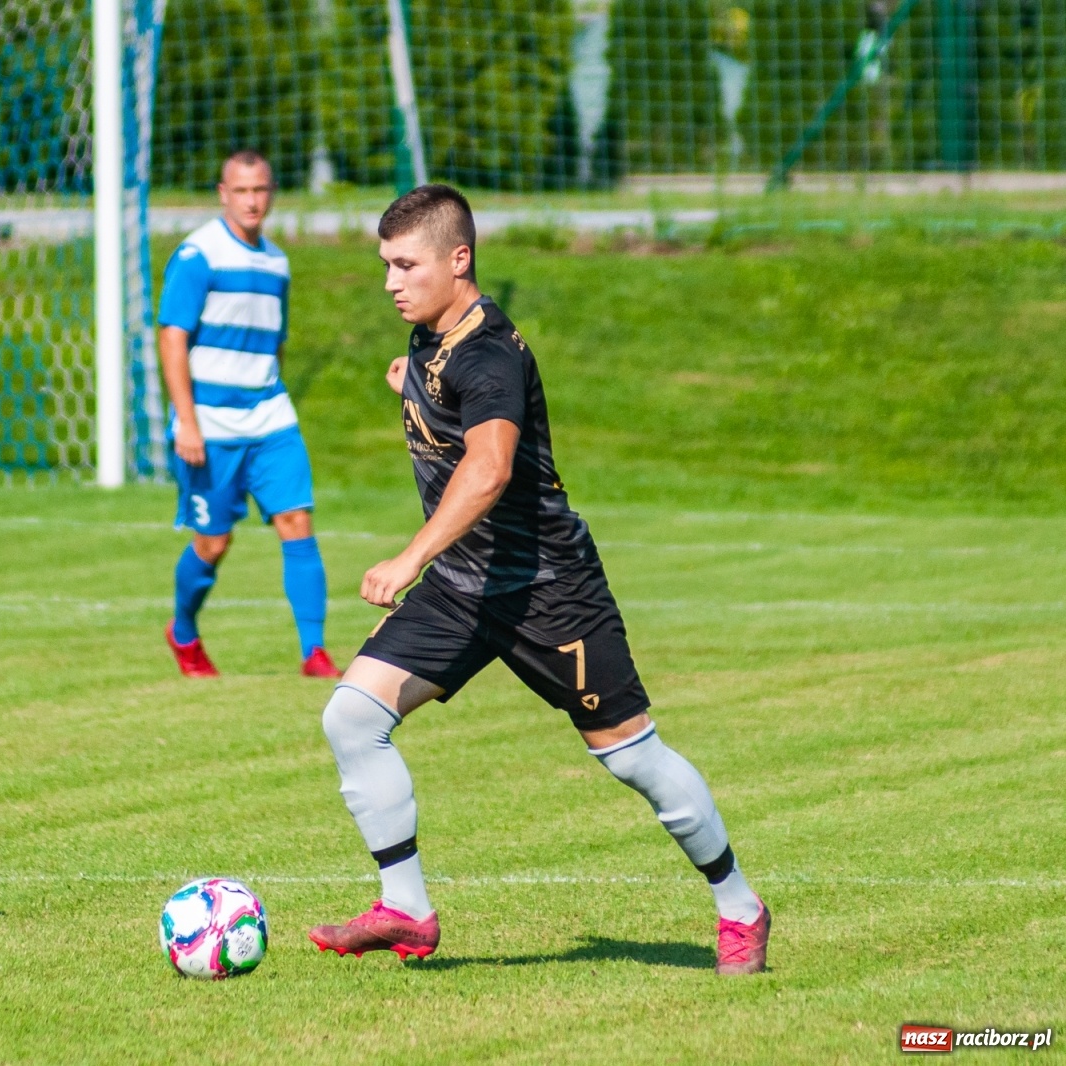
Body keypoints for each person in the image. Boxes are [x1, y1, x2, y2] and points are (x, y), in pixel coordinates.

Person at [306, 185, 770, 975]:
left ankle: (740, 908)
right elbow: (452, 417)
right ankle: (407, 909)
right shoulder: (431, 339)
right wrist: (412, 388)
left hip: (548, 590)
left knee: (632, 759)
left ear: (460, 260)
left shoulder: (488, 354)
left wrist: (407, 557)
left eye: (405, 264)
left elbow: (488, 470)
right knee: (352, 719)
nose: (390, 280)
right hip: (464, 589)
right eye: (385, 264)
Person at [156, 150, 339, 679]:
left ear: (272, 192)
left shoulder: (277, 262)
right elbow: (172, 339)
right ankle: (184, 632)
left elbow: (275, 343)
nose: (252, 200)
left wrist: (272, 392)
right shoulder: (199, 256)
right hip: (209, 423)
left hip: (270, 419)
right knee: (214, 542)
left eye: (260, 190)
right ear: (222, 193)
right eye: (241, 191)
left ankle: (315, 653)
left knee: (296, 521)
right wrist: (186, 420)